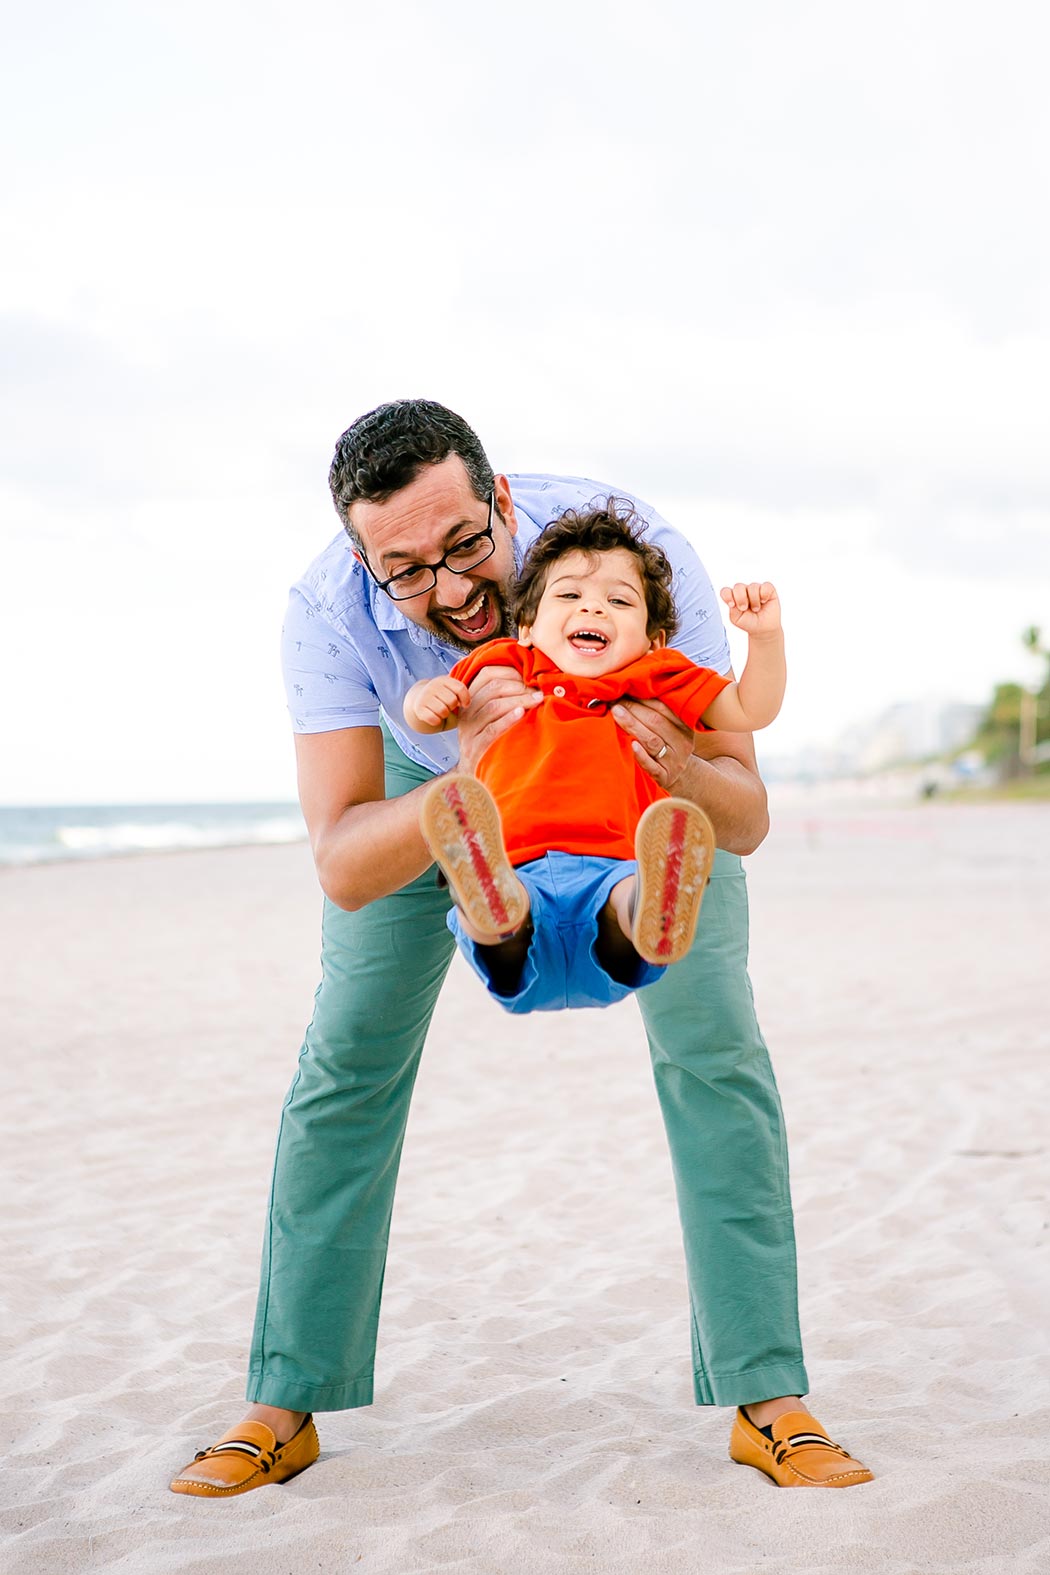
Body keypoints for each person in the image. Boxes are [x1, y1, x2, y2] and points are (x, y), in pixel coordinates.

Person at [170, 399, 873, 1497]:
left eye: (466, 546)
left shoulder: (624, 561)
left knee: (715, 1053)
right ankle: (284, 1401)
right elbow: (345, 861)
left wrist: (680, 769)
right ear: (361, 558)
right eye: (405, 569)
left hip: (639, 787)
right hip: (441, 788)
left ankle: (768, 1400)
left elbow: (746, 813)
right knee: (347, 1057)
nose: (448, 589)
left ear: (502, 502)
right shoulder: (325, 613)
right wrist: (465, 775)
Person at [404, 500, 786, 1014]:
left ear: (655, 641)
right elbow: (432, 712)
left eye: (620, 602)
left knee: (625, 902)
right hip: (516, 865)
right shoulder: (502, 664)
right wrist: (424, 700)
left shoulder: (657, 676)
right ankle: (491, 900)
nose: (594, 608)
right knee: (503, 922)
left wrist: (764, 640)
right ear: (526, 627)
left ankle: (652, 906)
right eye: (569, 595)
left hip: (614, 865)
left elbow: (747, 709)